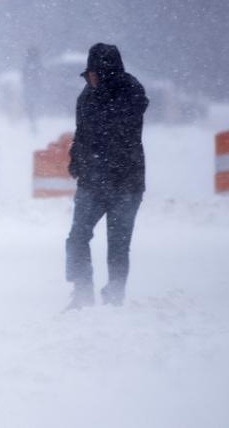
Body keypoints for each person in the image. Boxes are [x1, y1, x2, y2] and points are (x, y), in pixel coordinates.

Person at [65, 42, 148, 310]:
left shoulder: (131, 93)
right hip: (92, 181)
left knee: (118, 244)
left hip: (126, 183)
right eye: (89, 73)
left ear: (108, 71)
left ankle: (115, 295)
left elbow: (116, 130)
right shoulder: (87, 96)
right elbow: (82, 134)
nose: (90, 77)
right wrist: (76, 161)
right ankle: (82, 292)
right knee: (77, 237)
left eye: (95, 72)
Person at [22, 46, 44, 132]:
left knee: (31, 106)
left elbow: (24, 75)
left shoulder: (29, 63)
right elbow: (39, 75)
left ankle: (32, 120)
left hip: (30, 87)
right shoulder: (36, 63)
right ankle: (33, 121)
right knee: (33, 105)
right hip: (34, 87)